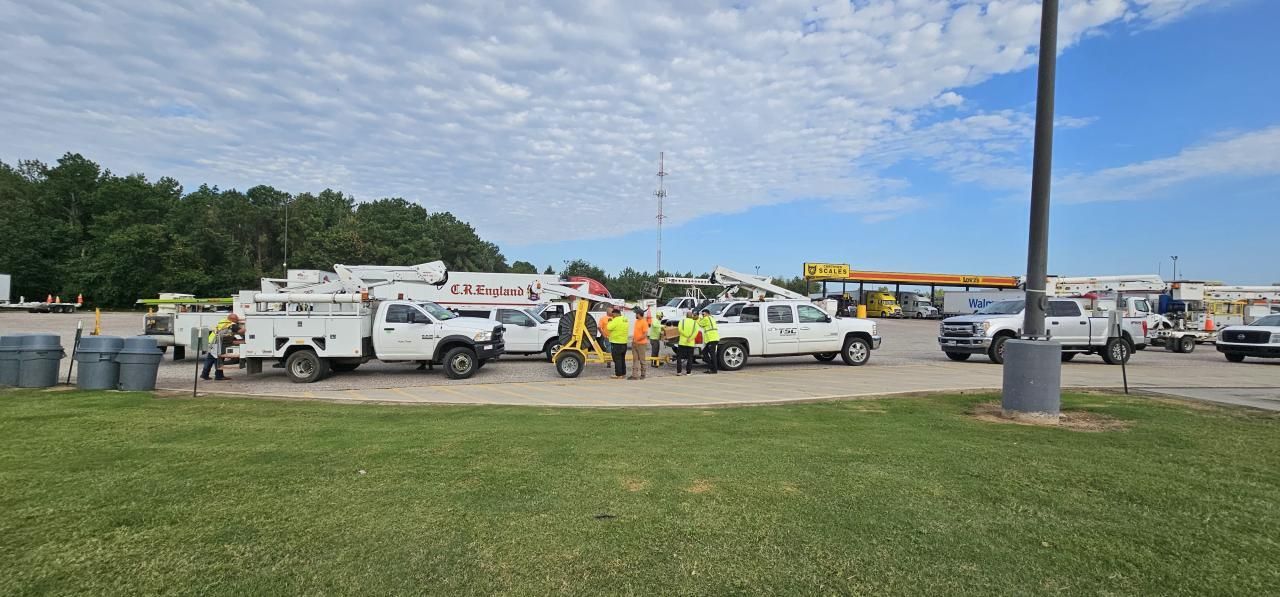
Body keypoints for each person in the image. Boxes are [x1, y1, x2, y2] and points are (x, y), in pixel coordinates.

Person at [200, 313, 241, 381]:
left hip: (211, 342)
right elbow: (241, 331)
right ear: (232, 319)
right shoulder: (231, 324)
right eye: (237, 319)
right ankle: (219, 376)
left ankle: (204, 374)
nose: (237, 321)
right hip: (217, 343)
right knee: (219, 360)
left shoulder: (222, 322)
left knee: (210, 358)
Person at [605, 307, 631, 379]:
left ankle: (618, 374)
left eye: (612, 314)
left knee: (617, 359)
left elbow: (609, 327)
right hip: (624, 342)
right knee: (622, 359)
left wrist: (610, 321)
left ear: (616, 314)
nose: (612, 316)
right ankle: (623, 373)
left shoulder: (616, 320)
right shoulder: (625, 319)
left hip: (616, 343)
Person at [629, 307, 651, 380]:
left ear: (639, 314)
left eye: (636, 314)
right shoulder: (637, 321)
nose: (635, 315)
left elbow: (645, 334)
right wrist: (634, 340)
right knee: (635, 360)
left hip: (641, 344)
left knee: (642, 360)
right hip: (635, 343)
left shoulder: (644, 322)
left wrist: (637, 339)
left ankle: (643, 374)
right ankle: (634, 375)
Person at [676, 310, 698, 376]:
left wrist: (685, 335)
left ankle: (679, 372)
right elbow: (695, 332)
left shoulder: (681, 321)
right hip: (690, 343)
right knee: (690, 358)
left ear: (686, 316)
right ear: (692, 316)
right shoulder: (695, 323)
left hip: (682, 342)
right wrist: (690, 338)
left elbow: (679, 329)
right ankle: (688, 372)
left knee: (679, 357)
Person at [698, 308, 721, 374]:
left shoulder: (706, 319)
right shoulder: (712, 318)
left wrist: (699, 318)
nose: (702, 315)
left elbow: (699, 323)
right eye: (702, 314)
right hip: (714, 338)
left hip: (711, 338)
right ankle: (712, 367)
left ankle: (714, 369)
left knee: (711, 354)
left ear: (707, 313)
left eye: (703, 314)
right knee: (706, 353)